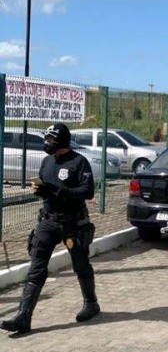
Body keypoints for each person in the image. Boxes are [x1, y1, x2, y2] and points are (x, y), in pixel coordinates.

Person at [1, 123, 99, 334]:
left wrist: (58, 190)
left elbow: (87, 191)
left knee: (80, 263)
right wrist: (41, 190)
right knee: (36, 265)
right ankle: (23, 317)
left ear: (62, 141)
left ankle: (91, 304)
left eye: (51, 139)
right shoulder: (46, 161)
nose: (47, 143)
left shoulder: (79, 162)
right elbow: (48, 189)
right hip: (47, 221)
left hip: (72, 223)